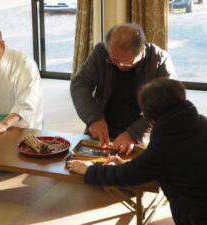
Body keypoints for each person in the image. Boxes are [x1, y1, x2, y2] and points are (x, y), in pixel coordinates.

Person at [67, 78, 207, 225]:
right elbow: (154, 166)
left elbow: (126, 175)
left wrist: (89, 170)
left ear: (152, 116)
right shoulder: (201, 122)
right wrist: (124, 164)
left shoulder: (164, 144)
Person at [70, 23, 176, 155]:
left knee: (138, 173)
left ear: (142, 49)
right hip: (105, 129)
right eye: (114, 59)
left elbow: (166, 106)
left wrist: (134, 134)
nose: (120, 65)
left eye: (127, 61)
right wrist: (93, 118)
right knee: (88, 170)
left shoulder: (159, 60)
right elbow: (80, 83)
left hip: (144, 134)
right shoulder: (101, 52)